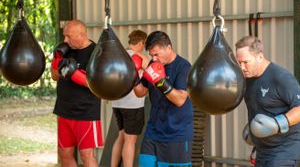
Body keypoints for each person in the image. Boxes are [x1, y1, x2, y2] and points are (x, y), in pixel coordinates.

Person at [235, 36, 300, 167]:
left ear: (260, 57)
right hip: (263, 152)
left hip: (286, 151)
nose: (242, 67)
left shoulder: (280, 77)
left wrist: (276, 124)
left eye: (246, 62)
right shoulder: (247, 79)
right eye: (239, 62)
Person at [133, 31, 194, 166]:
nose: (153, 59)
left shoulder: (183, 67)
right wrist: (133, 76)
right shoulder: (152, 65)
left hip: (176, 134)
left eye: (156, 54)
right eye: (151, 55)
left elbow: (180, 100)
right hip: (153, 132)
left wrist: (160, 82)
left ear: (168, 48)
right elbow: (141, 92)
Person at [51, 19, 103, 167]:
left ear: (81, 34)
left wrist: (77, 75)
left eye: (69, 36)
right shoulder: (66, 49)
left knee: (86, 155)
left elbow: (100, 87)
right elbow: (54, 76)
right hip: (64, 110)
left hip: (85, 112)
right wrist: (56, 62)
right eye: (64, 36)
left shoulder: (96, 52)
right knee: (64, 153)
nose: (65, 40)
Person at [110, 29, 149, 167]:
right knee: (130, 141)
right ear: (141, 43)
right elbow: (154, 73)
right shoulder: (141, 57)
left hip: (117, 103)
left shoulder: (118, 56)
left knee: (121, 137)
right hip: (133, 105)